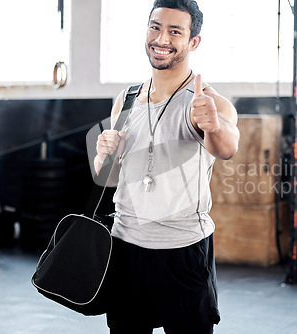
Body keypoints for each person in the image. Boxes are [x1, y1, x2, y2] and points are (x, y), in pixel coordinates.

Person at [93, 0, 240, 333]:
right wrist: (105, 155)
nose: (162, 39)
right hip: (126, 248)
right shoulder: (126, 99)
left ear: (193, 42)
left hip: (183, 251)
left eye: (175, 31)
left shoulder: (207, 101)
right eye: (155, 27)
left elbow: (228, 147)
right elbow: (109, 178)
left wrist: (214, 126)